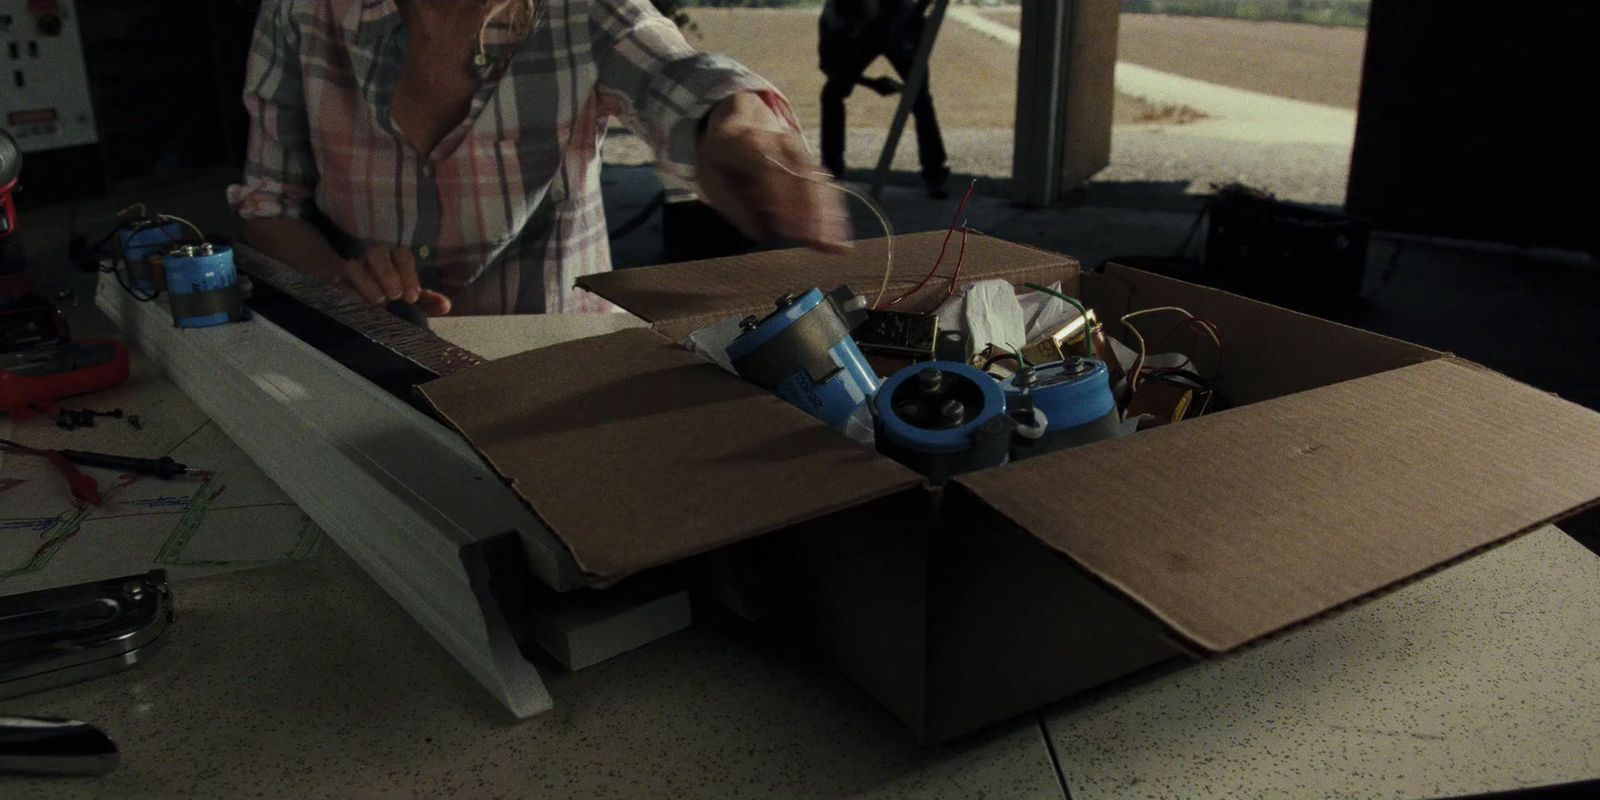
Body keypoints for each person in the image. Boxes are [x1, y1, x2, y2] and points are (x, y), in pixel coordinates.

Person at [230, 0, 848, 316]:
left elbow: (680, 73)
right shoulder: (299, 12)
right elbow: (268, 205)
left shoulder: (580, 9)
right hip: (372, 361)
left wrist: (740, 123)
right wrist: (341, 281)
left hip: (554, 359)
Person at [818, 0, 950, 198]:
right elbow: (829, 65)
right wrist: (870, 83)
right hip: (869, 33)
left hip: (899, 25)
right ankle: (831, 169)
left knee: (920, 98)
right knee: (832, 94)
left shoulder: (900, 14)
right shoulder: (833, 18)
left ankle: (934, 173)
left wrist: (917, 15)